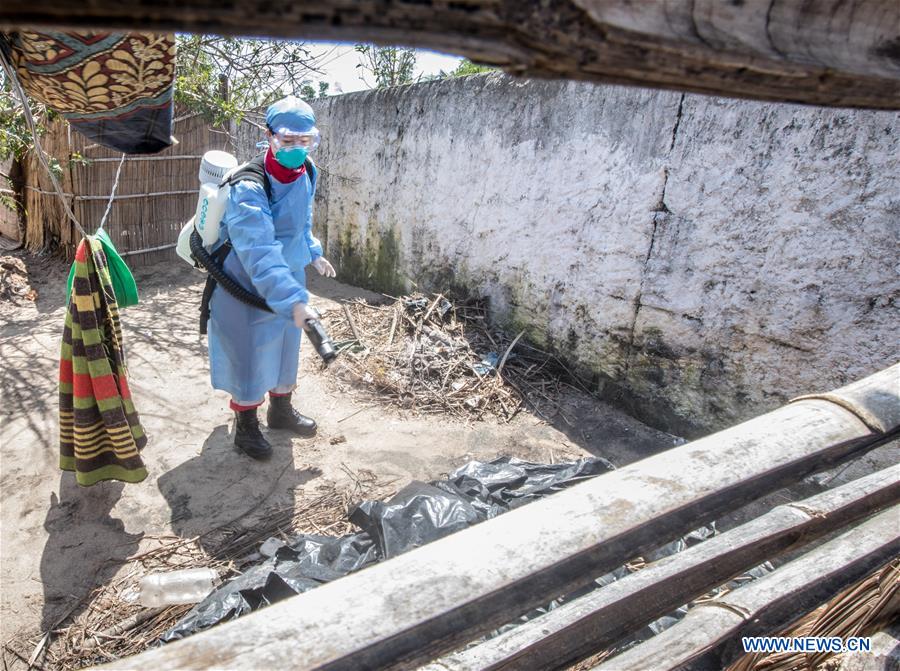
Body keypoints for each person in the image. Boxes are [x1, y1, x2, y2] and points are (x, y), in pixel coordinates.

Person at [206, 96, 336, 460]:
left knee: (284, 346)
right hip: (246, 278)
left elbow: (302, 220)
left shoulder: (307, 170)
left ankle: (281, 411)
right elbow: (259, 251)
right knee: (249, 351)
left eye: (304, 140)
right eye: (287, 140)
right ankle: (246, 428)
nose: (297, 149)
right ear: (269, 136)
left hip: (289, 272)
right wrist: (294, 302)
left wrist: (312, 252)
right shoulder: (249, 184)